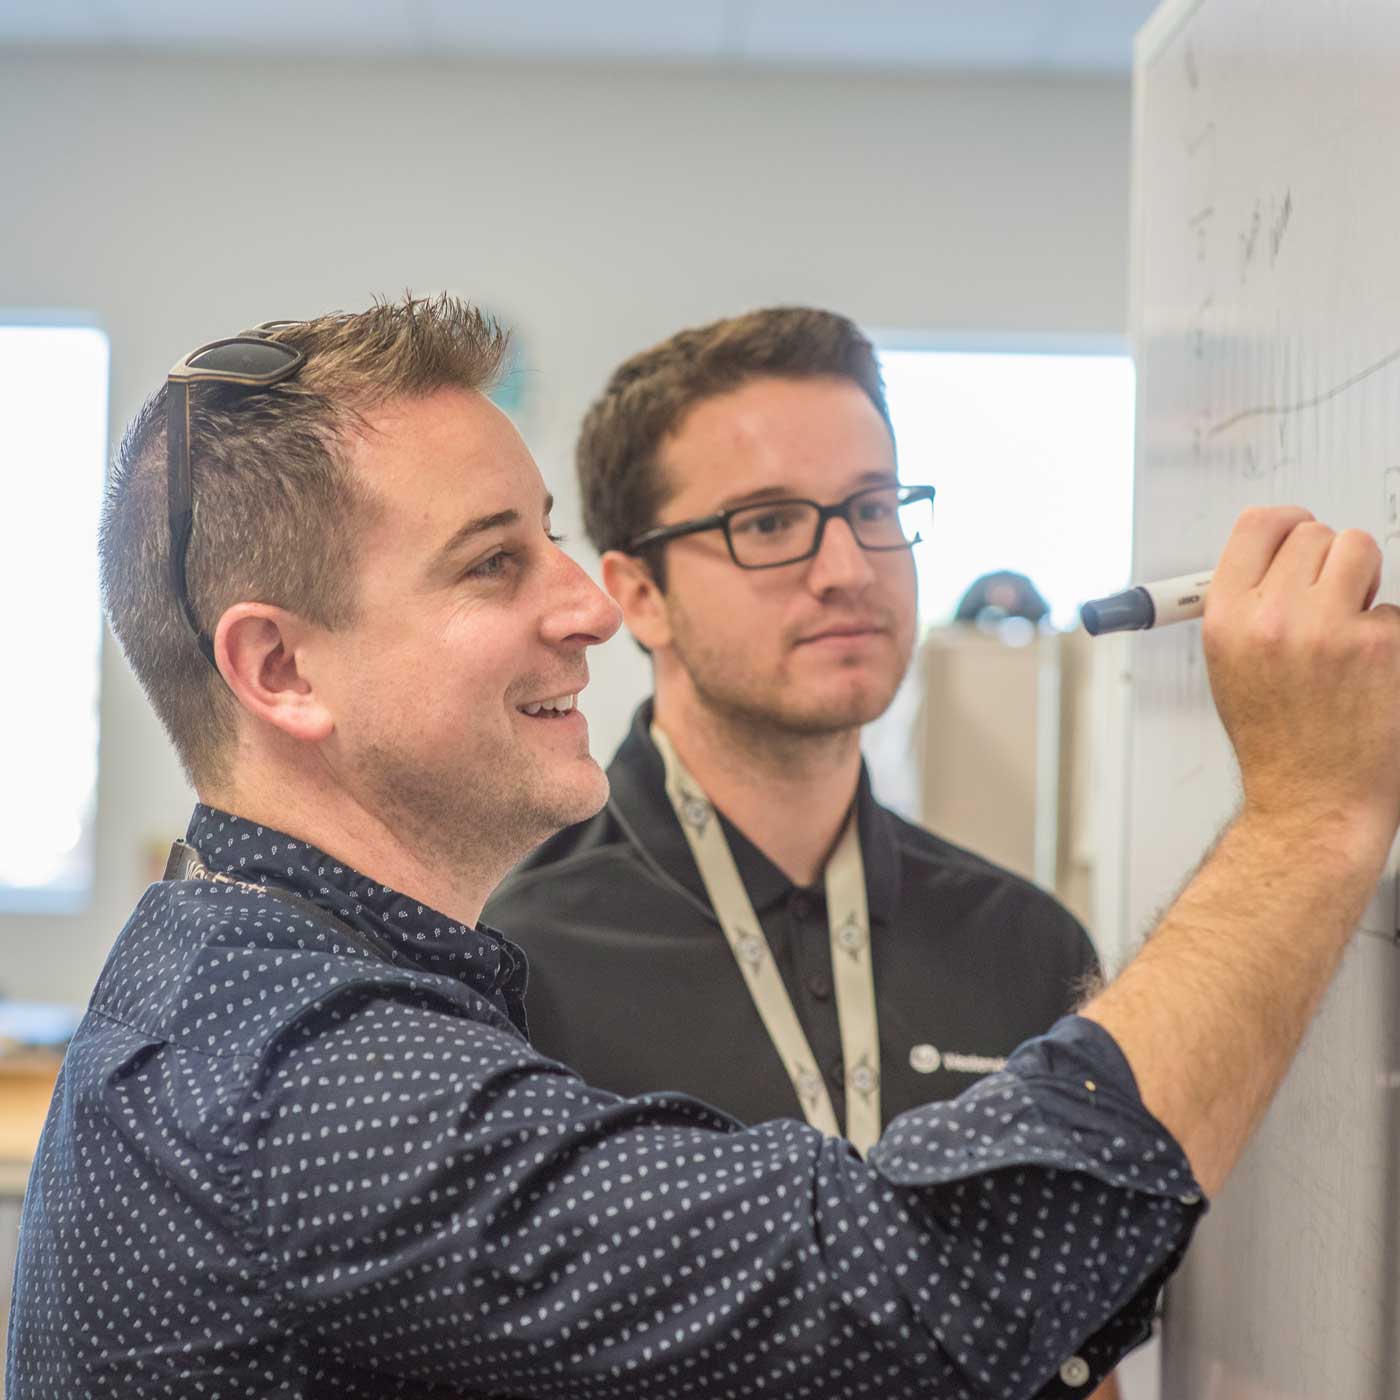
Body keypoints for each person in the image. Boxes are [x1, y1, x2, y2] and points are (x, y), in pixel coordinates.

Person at [8, 296, 1400, 1400]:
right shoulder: (298, 1090)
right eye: (494, 562)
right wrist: (1309, 812)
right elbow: (914, 1285)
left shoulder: (282, 989)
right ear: (282, 670)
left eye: (550, 539)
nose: (588, 608)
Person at [484, 312, 1098, 1145]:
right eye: (768, 524)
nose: (848, 570)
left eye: (874, 507)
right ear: (638, 595)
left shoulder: (1027, 950)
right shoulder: (512, 959)